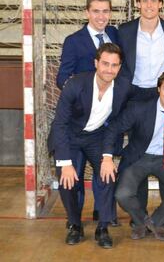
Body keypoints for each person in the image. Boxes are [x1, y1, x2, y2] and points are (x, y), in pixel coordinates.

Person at [117, 0, 164, 229]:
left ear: (161, 4)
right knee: (140, 150)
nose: (149, 5)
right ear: (138, 4)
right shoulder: (124, 30)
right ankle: (140, 212)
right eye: (145, 0)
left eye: (154, 0)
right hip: (137, 95)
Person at [48, 43, 130, 248]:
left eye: (114, 65)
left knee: (108, 175)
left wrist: (108, 157)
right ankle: (75, 225)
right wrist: (65, 162)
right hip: (69, 136)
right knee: (68, 180)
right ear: (96, 63)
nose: (109, 69)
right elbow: (60, 124)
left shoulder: (123, 87)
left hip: (97, 137)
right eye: (105, 64)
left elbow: (145, 100)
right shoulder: (76, 84)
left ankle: (103, 227)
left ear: (119, 68)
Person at [101, 70, 164, 241]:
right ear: (158, 89)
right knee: (122, 194)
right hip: (140, 156)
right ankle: (143, 221)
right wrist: (107, 157)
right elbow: (113, 128)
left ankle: (153, 222)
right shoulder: (139, 108)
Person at [55, 0, 119, 225]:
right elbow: (62, 76)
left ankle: (104, 217)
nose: (101, 16)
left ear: (110, 13)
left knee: (107, 173)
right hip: (77, 120)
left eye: (105, 11)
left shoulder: (114, 34)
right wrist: (79, 95)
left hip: (102, 125)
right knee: (73, 177)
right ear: (87, 12)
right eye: (96, 11)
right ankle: (75, 222)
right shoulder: (74, 40)